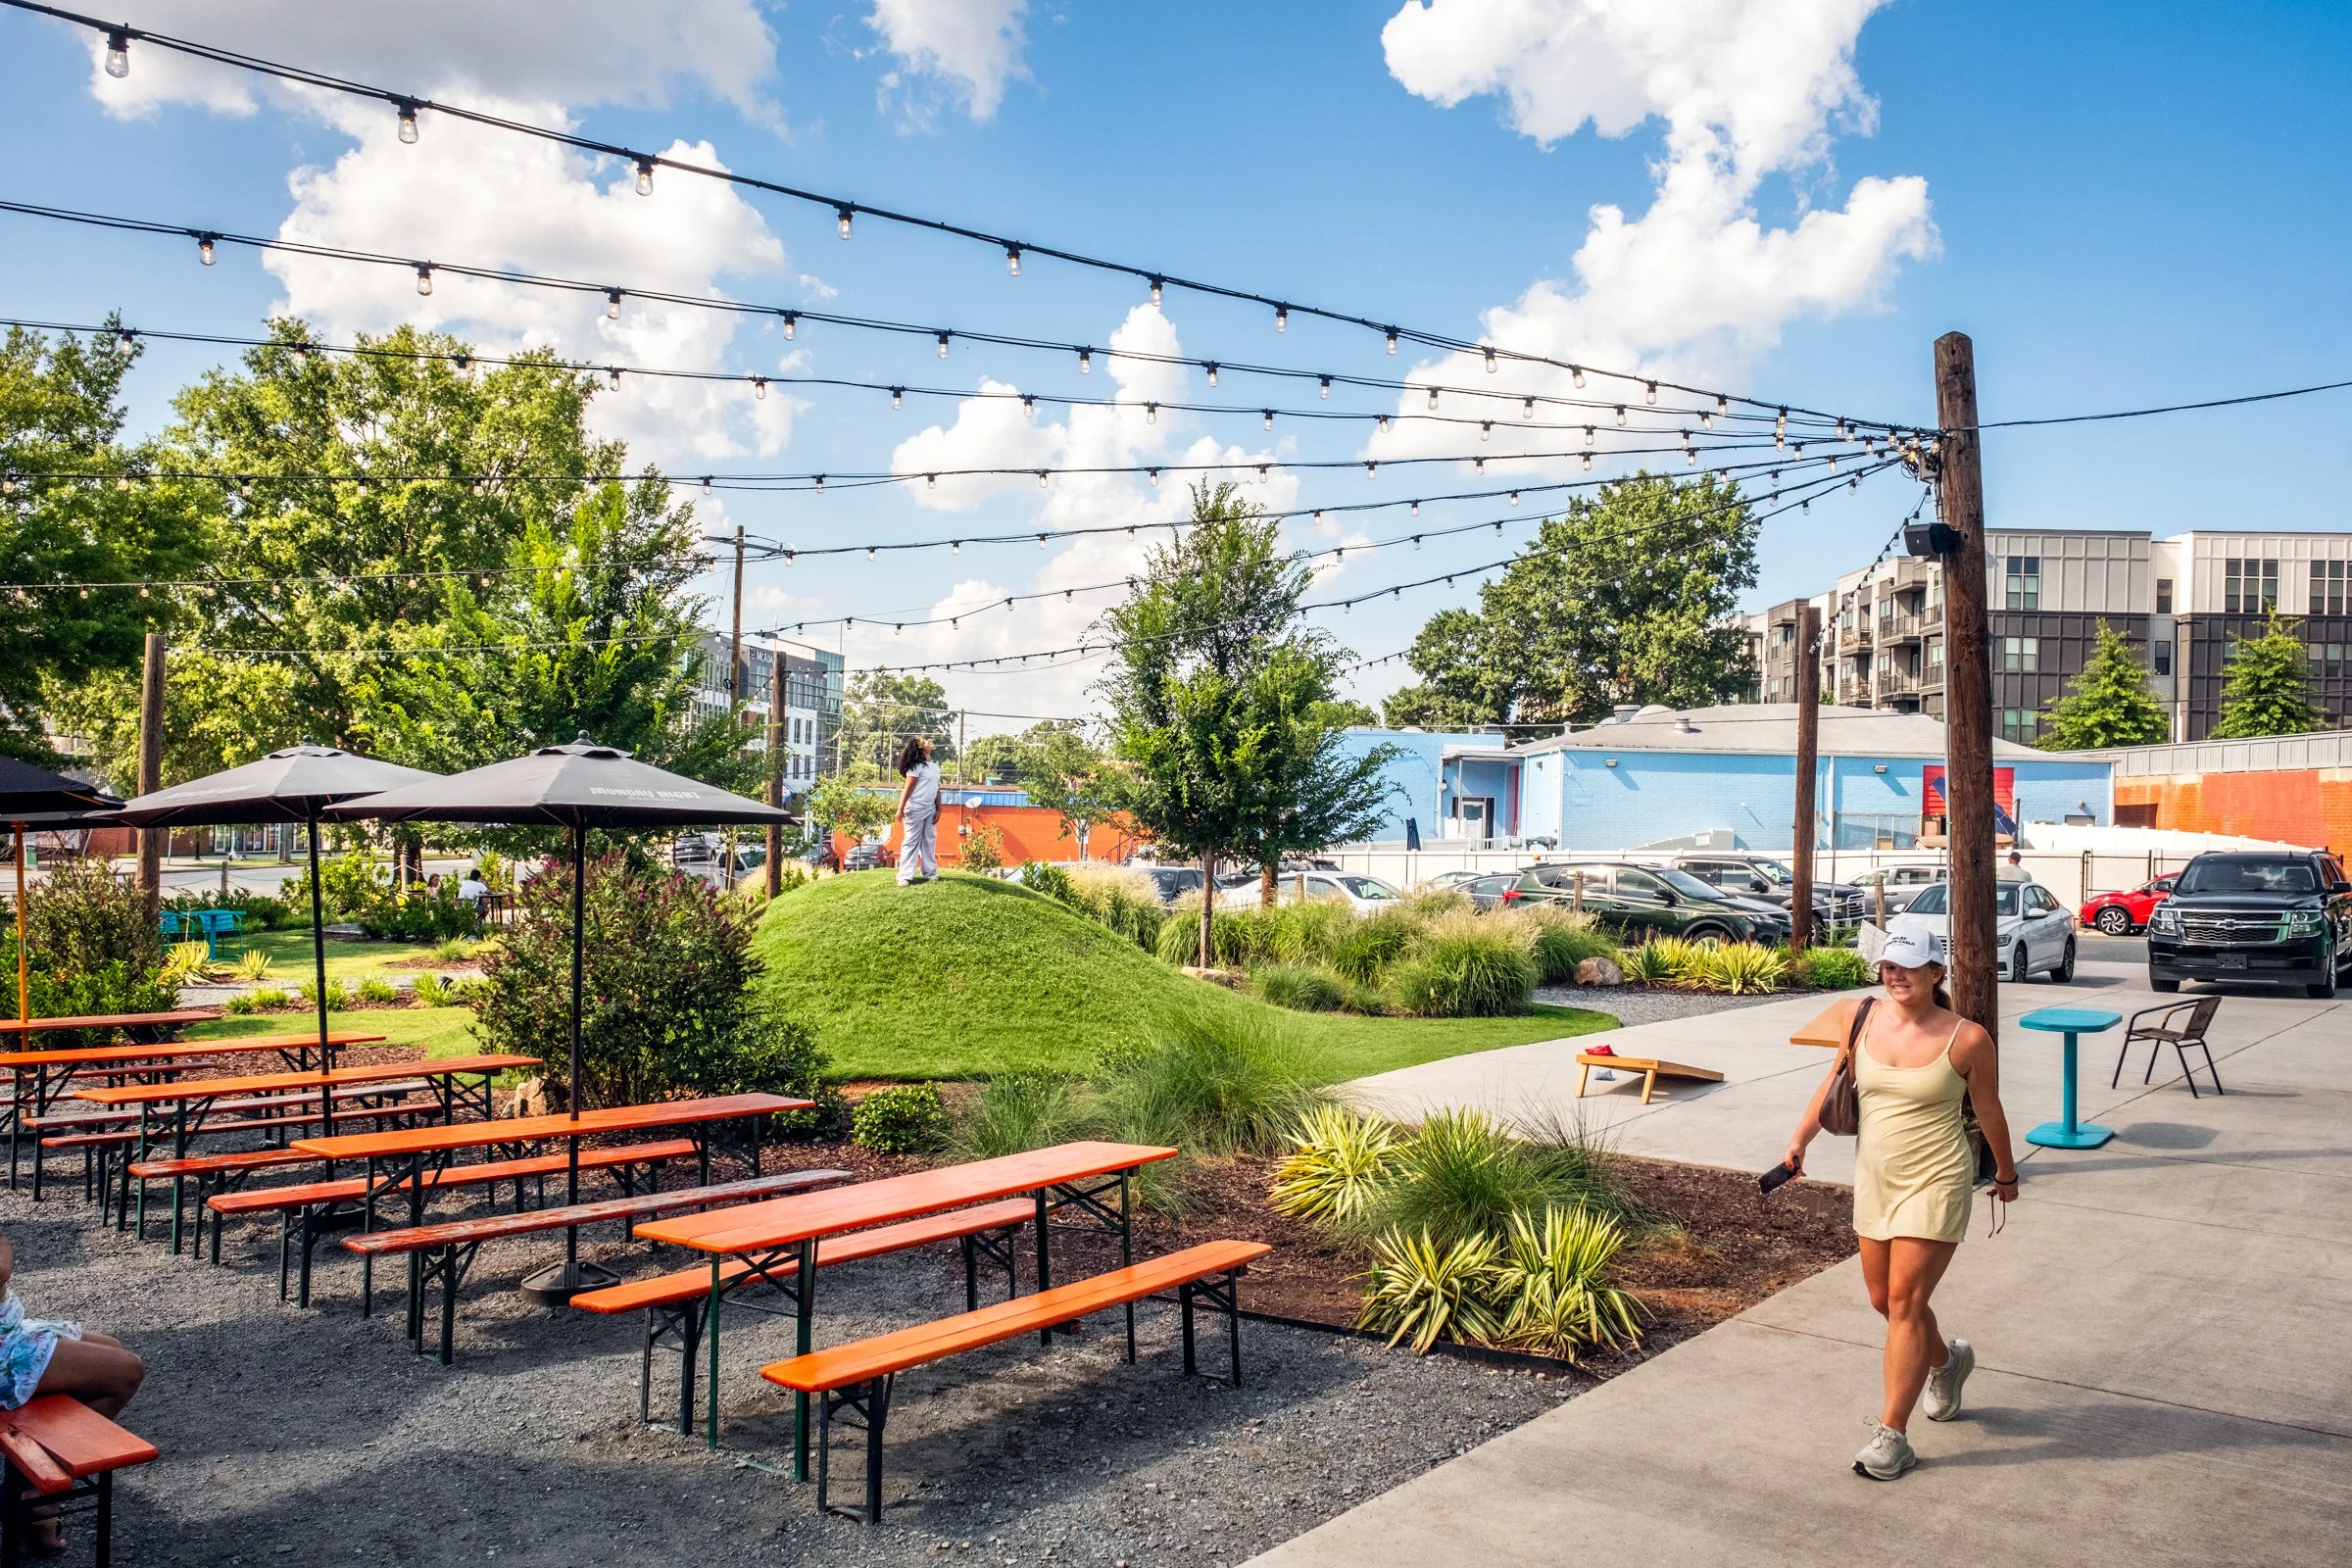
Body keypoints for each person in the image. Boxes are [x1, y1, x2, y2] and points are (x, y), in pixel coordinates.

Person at [1784, 929, 2018, 1482]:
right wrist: (1799, 1142)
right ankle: (1947, 1361)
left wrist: (2006, 1173)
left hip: (1937, 1179)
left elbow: (1989, 1110)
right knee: (1882, 1301)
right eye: (1889, 964)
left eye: (1909, 966)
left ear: (1937, 972)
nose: (1896, 975)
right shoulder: (1859, 1016)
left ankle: (1893, 1437)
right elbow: (1834, 1081)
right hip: (1876, 1178)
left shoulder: (1967, 1038)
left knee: (1906, 1301)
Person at [0, 1234, 144, 1555]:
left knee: (113, 1351)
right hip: (3, 1353)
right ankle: (38, 1488)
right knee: (127, 1371)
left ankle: (36, 1470)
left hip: (9, 1332)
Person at [894, 737, 941, 886]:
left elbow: (937, 788)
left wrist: (939, 808)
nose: (929, 742)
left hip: (930, 809)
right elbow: (907, 789)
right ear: (920, 748)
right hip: (914, 808)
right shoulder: (915, 767)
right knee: (911, 841)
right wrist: (900, 809)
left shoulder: (935, 767)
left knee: (929, 840)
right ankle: (905, 875)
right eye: (925, 741)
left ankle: (930, 872)